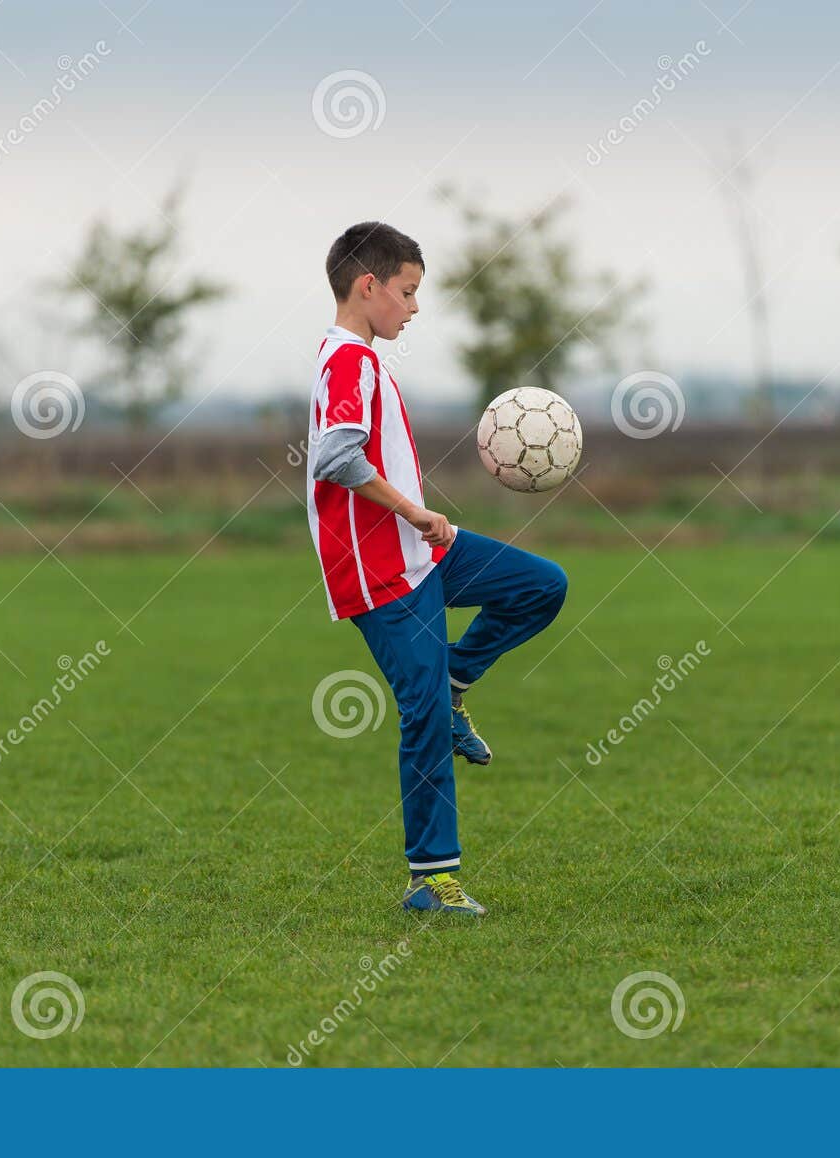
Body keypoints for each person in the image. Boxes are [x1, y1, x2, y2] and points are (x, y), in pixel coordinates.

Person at [305, 221, 569, 917]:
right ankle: (430, 880)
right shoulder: (348, 363)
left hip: (420, 551)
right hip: (380, 567)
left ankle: (455, 683)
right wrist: (414, 511)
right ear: (369, 286)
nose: (414, 308)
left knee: (541, 586)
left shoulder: (360, 360)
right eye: (408, 291)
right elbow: (335, 456)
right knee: (418, 716)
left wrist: (419, 525)